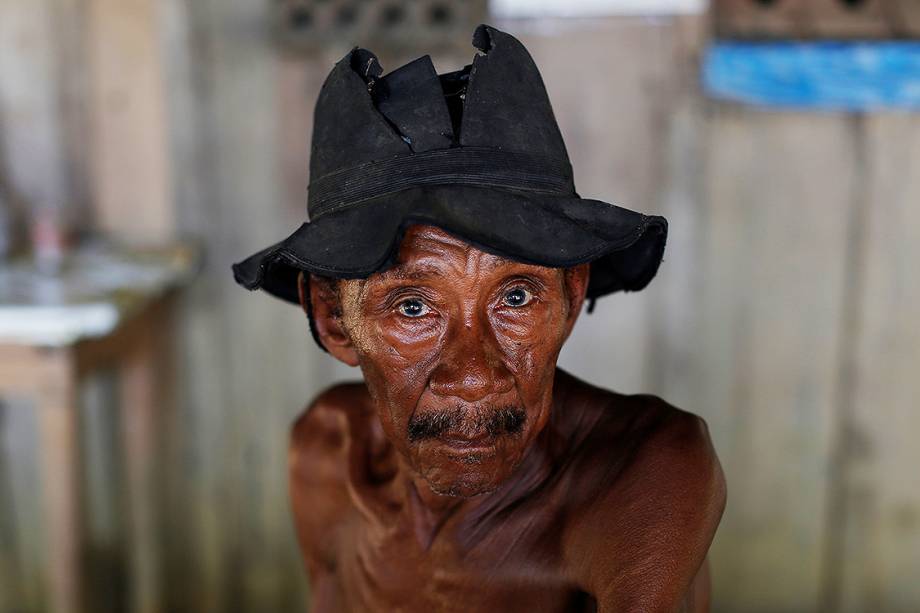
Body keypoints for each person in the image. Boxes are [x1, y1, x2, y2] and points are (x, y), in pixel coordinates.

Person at [233, 23, 725, 612]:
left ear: (570, 297)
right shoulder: (326, 456)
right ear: (335, 318)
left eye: (515, 297)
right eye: (413, 307)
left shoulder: (639, 470)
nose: (472, 374)